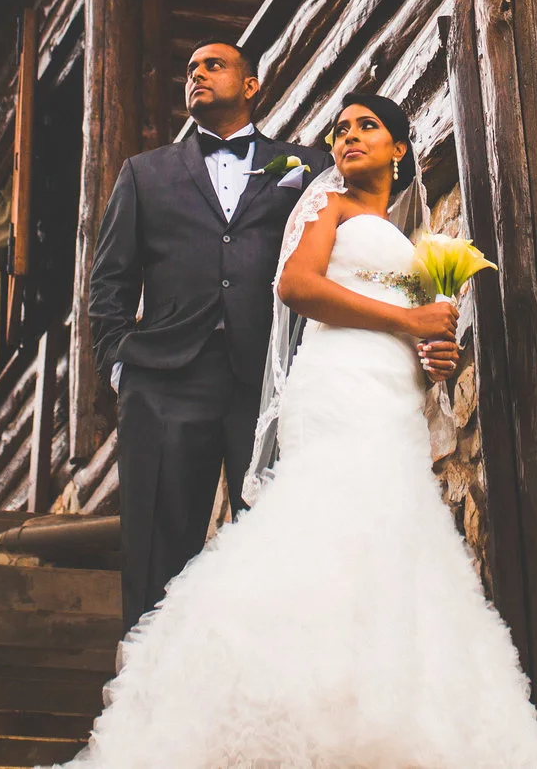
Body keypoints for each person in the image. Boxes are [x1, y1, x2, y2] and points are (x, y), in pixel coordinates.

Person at [61, 91, 537, 768]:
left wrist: (435, 354)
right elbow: (296, 285)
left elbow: (419, 340)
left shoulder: (412, 241)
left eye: (367, 127)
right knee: (327, 525)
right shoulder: (330, 204)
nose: (348, 136)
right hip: (337, 387)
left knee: (392, 541)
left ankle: (376, 702)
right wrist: (409, 320)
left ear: (399, 148)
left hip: (393, 398)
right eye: (341, 128)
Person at [88, 43, 461, 630]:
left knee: (278, 540)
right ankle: (147, 676)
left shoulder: (307, 169)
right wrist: (119, 365)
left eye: (214, 65)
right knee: (157, 548)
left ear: (251, 85)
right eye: (191, 69)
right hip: (164, 379)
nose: (198, 74)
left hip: (266, 381)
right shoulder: (144, 173)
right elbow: (109, 277)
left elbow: (360, 255)